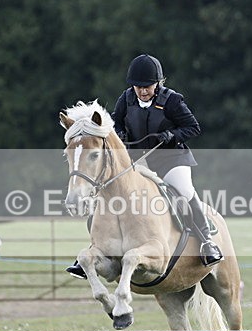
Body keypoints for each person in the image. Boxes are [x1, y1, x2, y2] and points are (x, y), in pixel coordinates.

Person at [66, 54, 222, 279]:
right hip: (137, 159)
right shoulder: (126, 98)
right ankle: (95, 249)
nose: (142, 91)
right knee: (106, 194)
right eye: (138, 86)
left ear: (158, 83)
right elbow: (115, 124)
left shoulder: (172, 100)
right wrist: (120, 134)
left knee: (184, 191)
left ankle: (207, 242)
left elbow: (193, 127)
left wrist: (171, 135)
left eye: (147, 86)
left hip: (171, 159)